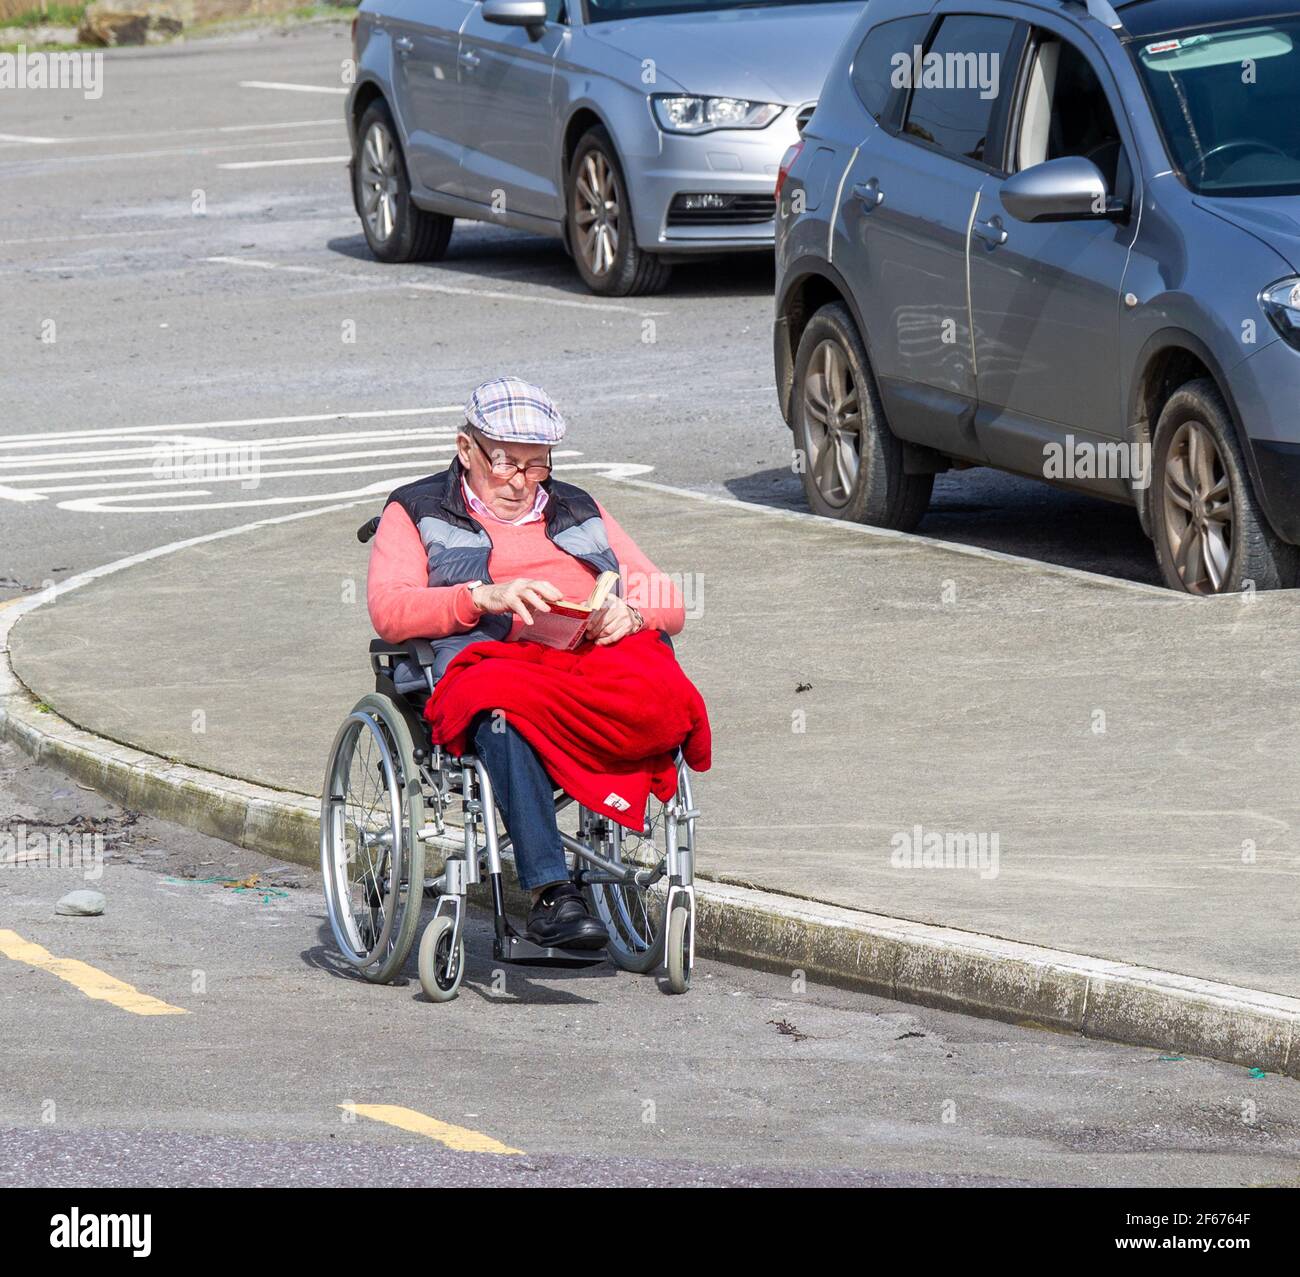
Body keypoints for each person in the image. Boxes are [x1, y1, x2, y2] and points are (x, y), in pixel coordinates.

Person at [367, 376, 686, 948]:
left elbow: (669, 597)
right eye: (504, 463)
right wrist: (477, 598)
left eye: (535, 466)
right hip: (489, 659)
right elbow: (390, 610)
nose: (520, 481)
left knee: (657, 677)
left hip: (580, 654)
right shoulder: (414, 509)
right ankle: (551, 894)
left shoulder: (579, 508)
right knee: (500, 709)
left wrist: (631, 614)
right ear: (466, 450)